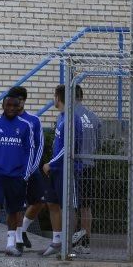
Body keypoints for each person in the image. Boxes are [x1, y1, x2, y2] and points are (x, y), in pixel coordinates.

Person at [0, 95, 35, 257]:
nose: (11, 108)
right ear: (3, 105)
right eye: (9, 105)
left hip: (16, 175)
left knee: (14, 210)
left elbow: (30, 151)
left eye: (15, 106)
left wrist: (26, 174)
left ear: (19, 107)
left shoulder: (25, 125)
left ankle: (10, 244)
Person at [42, 84, 83, 257]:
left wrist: (51, 163)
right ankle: (57, 241)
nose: (53, 99)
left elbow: (69, 148)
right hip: (56, 170)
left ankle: (68, 245)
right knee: (52, 203)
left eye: (54, 95)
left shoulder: (72, 119)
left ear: (58, 98)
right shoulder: (61, 117)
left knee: (69, 206)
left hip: (66, 170)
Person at [7, 86, 45, 251]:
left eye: (18, 100)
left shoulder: (34, 120)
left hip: (32, 170)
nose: (15, 103)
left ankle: (22, 230)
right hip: (14, 172)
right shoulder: (7, 119)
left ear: (23, 101)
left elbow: (39, 145)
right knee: (17, 206)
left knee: (38, 202)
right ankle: (17, 242)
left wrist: (32, 168)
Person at [72, 84, 101, 254]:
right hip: (90, 164)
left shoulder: (69, 115)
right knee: (86, 207)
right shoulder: (94, 117)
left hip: (76, 164)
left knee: (74, 205)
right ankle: (86, 242)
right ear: (82, 97)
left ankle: (74, 241)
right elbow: (98, 143)